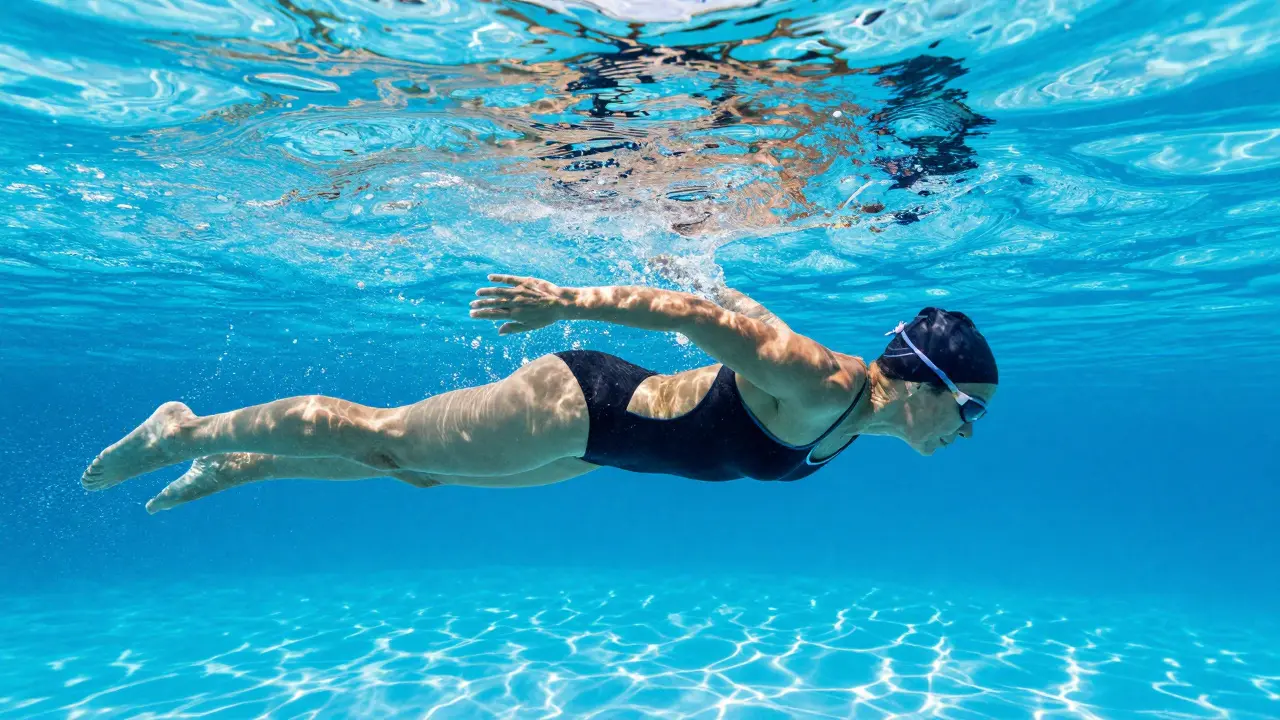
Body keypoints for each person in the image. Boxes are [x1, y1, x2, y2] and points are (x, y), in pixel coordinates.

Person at [81, 273, 997, 513]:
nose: (970, 429)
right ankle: (184, 430)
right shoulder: (821, 380)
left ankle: (245, 466)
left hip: (589, 450)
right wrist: (563, 301)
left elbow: (736, 307)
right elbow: (697, 319)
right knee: (384, 433)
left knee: (416, 471)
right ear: (927, 383)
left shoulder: (855, 419)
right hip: (580, 407)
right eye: (972, 408)